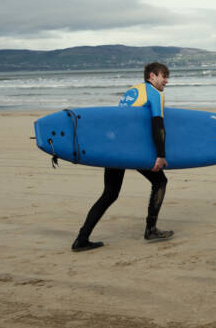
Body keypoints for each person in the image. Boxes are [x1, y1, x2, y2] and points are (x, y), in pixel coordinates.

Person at [71, 62, 175, 252]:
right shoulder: (155, 93)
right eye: (163, 76)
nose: (166, 81)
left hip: (113, 148)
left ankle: (81, 239)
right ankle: (151, 229)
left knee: (109, 194)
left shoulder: (132, 91)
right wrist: (160, 155)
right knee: (160, 181)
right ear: (152, 76)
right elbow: (157, 125)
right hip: (130, 150)